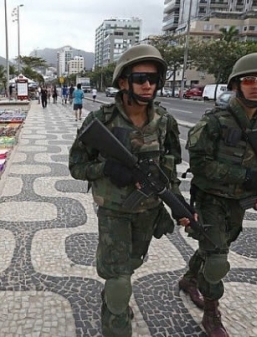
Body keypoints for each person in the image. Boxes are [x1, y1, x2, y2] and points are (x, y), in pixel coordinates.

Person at [69, 44, 193, 337]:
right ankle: (116, 316)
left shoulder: (164, 122)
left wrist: (179, 204)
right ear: (123, 82)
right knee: (119, 280)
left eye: (153, 79)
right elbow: (76, 166)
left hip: (148, 211)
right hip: (114, 211)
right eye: (140, 78)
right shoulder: (102, 121)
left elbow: (170, 166)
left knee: (132, 264)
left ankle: (115, 295)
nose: (148, 84)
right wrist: (107, 169)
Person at [180, 52, 257, 337]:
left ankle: (189, 280)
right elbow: (199, 165)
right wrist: (244, 176)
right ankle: (212, 314)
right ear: (236, 84)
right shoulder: (215, 121)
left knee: (216, 246)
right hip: (211, 199)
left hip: (239, 201)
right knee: (217, 259)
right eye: (250, 80)